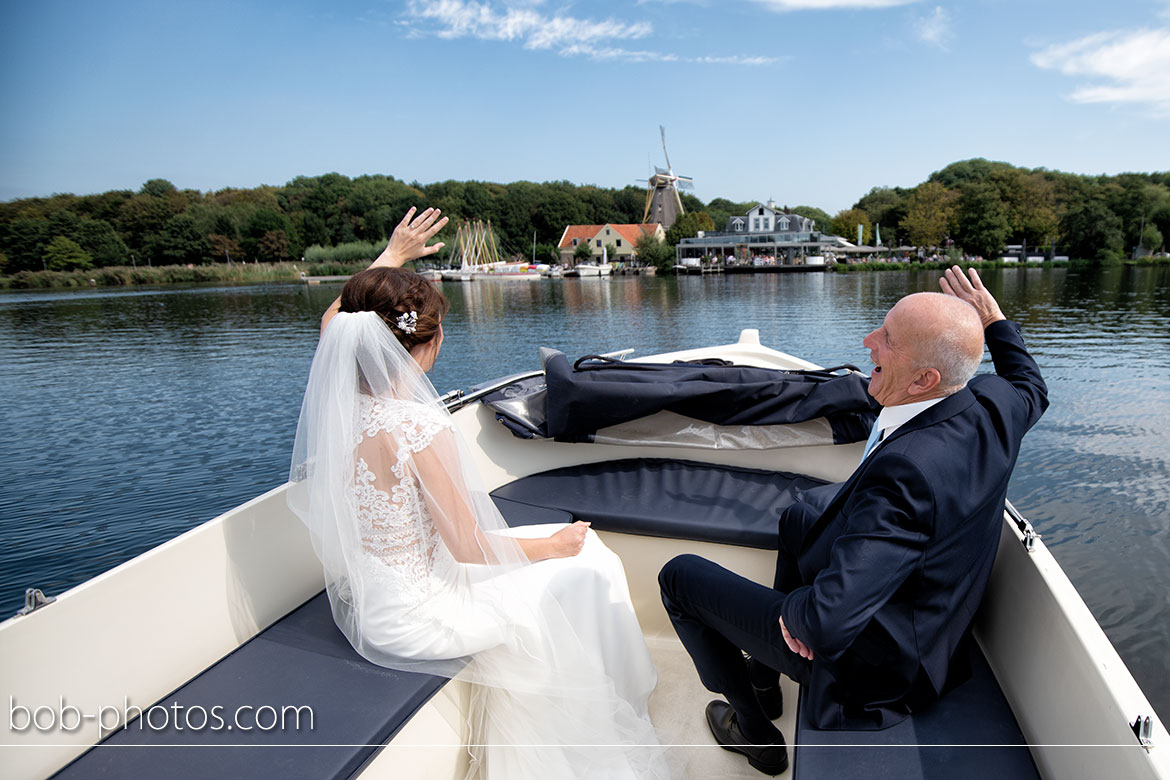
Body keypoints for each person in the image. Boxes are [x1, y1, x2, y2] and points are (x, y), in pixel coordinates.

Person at [289, 208, 668, 779]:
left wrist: (391, 259)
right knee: (588, 562)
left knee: (576, 557)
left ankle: (616, 696)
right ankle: (610, 712)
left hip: (374, 601)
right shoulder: (418, 427)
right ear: (431, 339)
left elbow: (339, 317)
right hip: (419, 609)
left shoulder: (342, 393)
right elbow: (467, 546)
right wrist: (558, 546)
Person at [658, 267, 1048, 776]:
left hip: (879, 667)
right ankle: (763, 678)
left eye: (887, 339)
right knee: (801, 517)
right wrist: (995, 321)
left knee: (679, 577)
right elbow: (1030, 382)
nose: (868, 341)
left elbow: (827, 623)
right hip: (932, 619)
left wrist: (795, 615)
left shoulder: (907, 472)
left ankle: (755, 733)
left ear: (924, 380)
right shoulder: (996, 404)